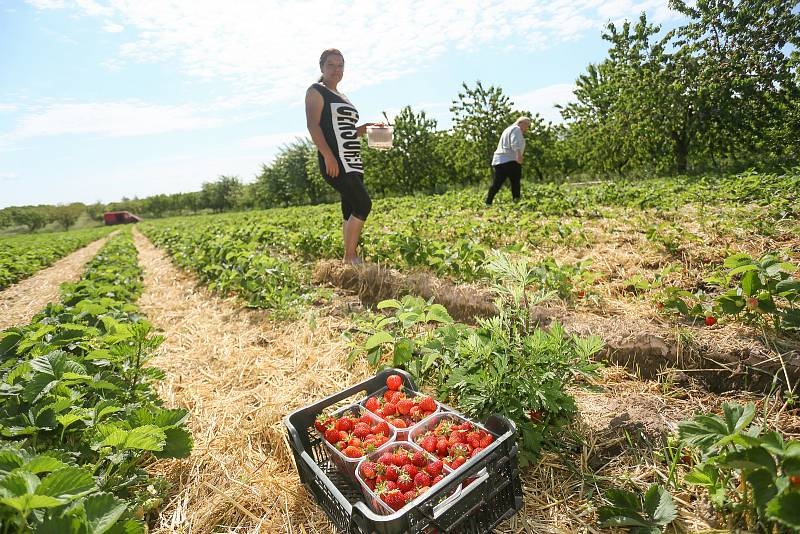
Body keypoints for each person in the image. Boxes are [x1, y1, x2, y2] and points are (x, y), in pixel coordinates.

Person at [305, 48, 381, 265]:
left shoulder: (342, 96)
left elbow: (343, 130)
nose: (336, 69)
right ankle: (350, 258)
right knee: (363, 204)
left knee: (350, 209)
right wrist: (328, 155)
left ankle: (348, 260)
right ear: (322, 67)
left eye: (340, 65)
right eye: (331, 65)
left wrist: (363, 129)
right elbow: (313, 125)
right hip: (336, 160)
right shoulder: (315, 91)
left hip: (353, 160)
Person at [485, 116, 532, 205]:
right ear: (522, 123)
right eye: (527, 126)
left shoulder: (507, 129)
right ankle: (516, 201)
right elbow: (514, 142)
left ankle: (488, 201)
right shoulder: (517, 129)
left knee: (497, 183)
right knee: (515, 182)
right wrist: (518, 154)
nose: (527, 128)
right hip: (510, 159)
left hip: (499, 160)